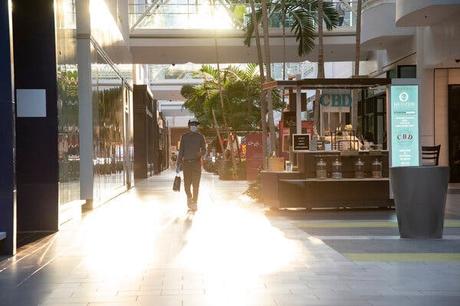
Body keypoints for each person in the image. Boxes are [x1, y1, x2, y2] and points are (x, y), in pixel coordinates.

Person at [176, 118, 206, 211]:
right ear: (189, 126)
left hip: (196, 163)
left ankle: (195, 202)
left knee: (196, 185)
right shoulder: (184, 137)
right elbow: (181, 151)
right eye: (192, 124)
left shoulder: (200, 137)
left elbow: (204, 149)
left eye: (195, 125)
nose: (194, 126)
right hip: (186, 164)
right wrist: (178, 163)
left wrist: (200, 154)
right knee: (186, 185)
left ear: (197, 126)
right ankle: (189, 197)